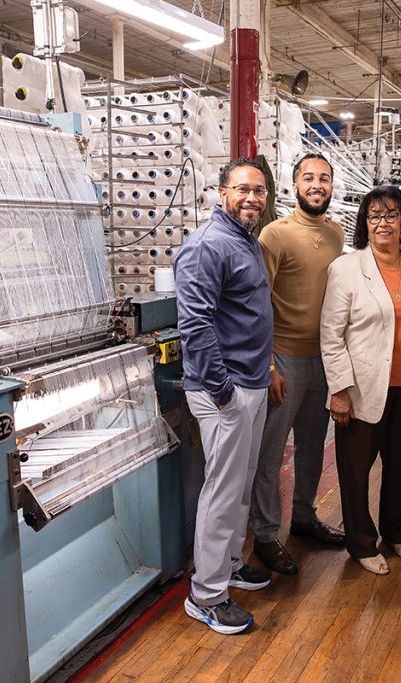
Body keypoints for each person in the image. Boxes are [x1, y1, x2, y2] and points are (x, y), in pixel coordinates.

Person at [175, 157, 275, 635]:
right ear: (221, 192)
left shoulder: (246, 241)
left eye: (258, 190)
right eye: (242, 189)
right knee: (221, 491)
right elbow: (194, 326)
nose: (252, 197)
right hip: (225, 390)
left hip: (249, 384)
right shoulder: (207, 247)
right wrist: (223, 392)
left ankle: (231, 563)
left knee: (239, 484)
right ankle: (207, 594)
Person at [319, 186, 401, 575]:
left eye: (392, 215)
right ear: (365, 224)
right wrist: (339, 390)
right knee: (354, 471)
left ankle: (395, 533)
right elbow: (331, 335)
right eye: (374, 216)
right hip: (361, 389)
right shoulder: (346, 268)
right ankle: (361, 544)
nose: (383, 223)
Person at [250, 153, 346, 575]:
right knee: (272, 452)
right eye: (309, 178)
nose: (317, 185)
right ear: (294, 185)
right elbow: (258, 303)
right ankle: (267, 534)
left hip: (323, 358)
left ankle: (304, 518)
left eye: (324, 179)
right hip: (285, 358)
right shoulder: (274, 234)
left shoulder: (337, 234)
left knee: (312, 446)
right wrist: (268, 364)